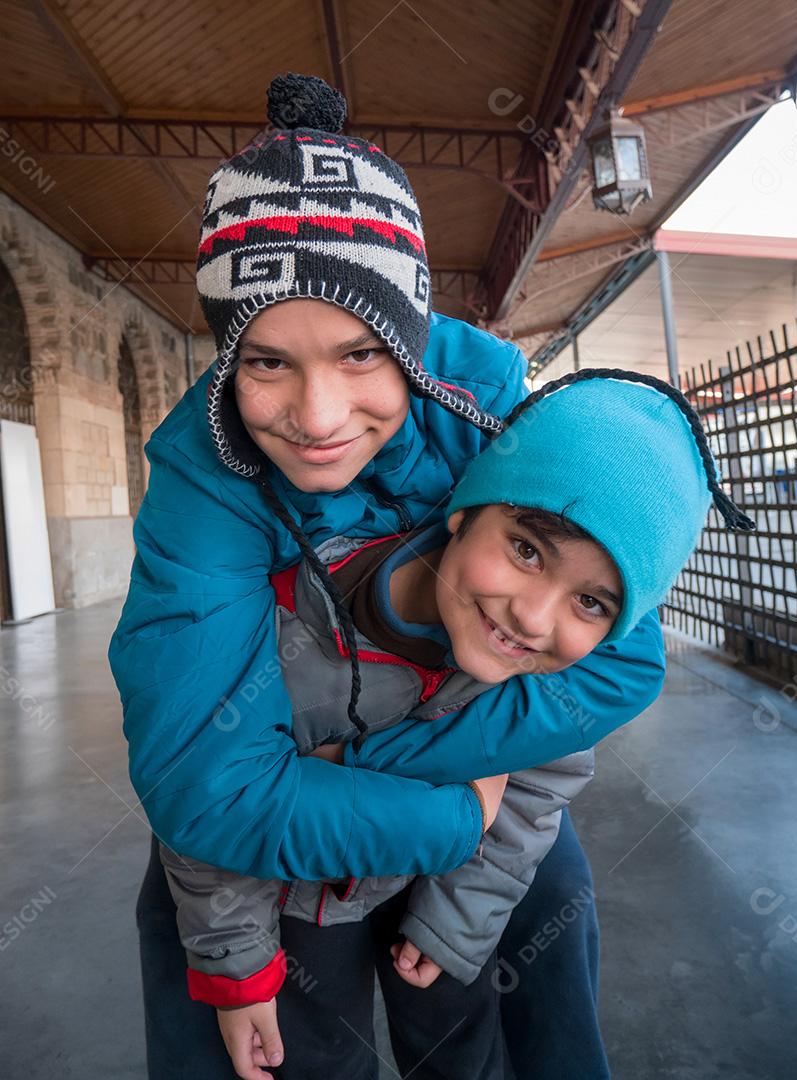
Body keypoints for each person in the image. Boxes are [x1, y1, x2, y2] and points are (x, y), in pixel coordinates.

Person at [109, 73, 667, 1078]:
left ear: (412, 343)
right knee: (225, 986)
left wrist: (437, 801)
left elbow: (616, 660)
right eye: (266, 361)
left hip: (442, 786)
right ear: (227, 358)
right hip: (292, 812)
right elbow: (204, 788)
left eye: (363, 353)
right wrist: (455, 809)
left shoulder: (501, 417)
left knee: (539, 951)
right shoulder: (201, 474)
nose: (318, 418)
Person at [158, 369, 753, 1079]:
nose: (532, 618)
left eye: (591, 603)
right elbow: (206, 809)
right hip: (301, 899)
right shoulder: (285, 640)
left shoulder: (552, 683)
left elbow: (534, 794)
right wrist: (239, 968)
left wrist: (456, 919)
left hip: (443, 893)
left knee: (461, 1051)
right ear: (461, 513)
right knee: (314, 1058)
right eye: (527, 551)